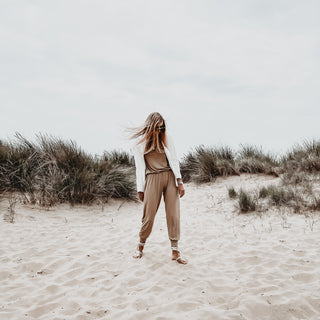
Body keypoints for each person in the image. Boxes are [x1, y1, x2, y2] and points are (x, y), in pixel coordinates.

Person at [130, 112, 188, 264]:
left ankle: (175, 251)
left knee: (173, 214)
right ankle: (140, 246)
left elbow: (174, 160)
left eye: (162, 128)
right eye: (157, 128)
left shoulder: (167, 138)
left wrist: (179, 181)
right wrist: (140, 189)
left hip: (169, 177)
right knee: (148, 215)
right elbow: (139, 168)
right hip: (152, 178)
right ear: (150, 126)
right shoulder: (139, 144)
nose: (160, 131)